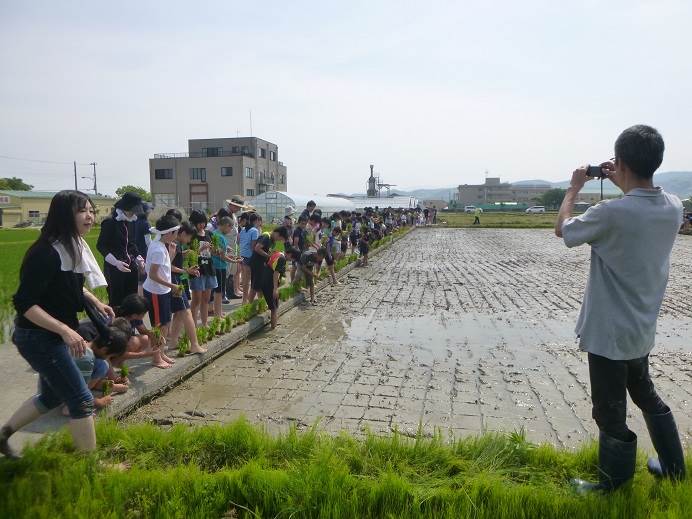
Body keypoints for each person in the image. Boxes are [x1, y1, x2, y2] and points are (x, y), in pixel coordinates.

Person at [555, 125, 686, 493]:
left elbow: (563, 230)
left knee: (609, 412)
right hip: (641, 329)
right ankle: (674, 469)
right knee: (646, 394)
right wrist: (626, 183)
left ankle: (612, 486)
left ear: (621, 162)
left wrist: (573, 188)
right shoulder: (673, 207)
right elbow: (640, 203)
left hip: (609, 334)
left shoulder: (610, 213)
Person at [1, 190, 115, 458]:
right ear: (65, 215)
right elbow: (24, 303)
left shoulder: (72, 246)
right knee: (82, 400)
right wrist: (65, 330)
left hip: (52, 336)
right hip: (38, 338)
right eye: (82, 211)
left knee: (52, 397)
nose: (90, 216)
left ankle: (3, 435)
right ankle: (91, 467)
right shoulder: (46, 252)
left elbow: (70, 284)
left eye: (91, 210)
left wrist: (93, 301)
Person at [142, 214, 182, 364]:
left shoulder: (161, 245)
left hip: (162, 291)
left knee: (165, 323)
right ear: (169, 233)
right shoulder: (158, 249)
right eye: (176, 233)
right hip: (155, 292)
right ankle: (156, 357)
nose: (177, 236)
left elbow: (163, 269)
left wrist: (171, 255)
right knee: (158, 326)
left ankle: (161, 352)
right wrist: (172, 286)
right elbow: (152, 275)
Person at [97, 192, 145, 309]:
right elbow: (101, 245)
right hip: (115, 268)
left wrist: (139, 258)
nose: (134, 213)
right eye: (132, 210)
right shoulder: (110, 223)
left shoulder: (130, 221)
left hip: (130, 266)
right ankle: (117, 325)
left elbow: (131, 243)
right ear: (124, 208)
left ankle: (130, 326)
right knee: (117, 301)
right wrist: (115, 262)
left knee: (131, 300)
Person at [167, 222, 207, 355]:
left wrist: (184, 253)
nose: (189, 241)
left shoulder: (176, 244)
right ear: (183, 234)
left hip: (175, 280)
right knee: (186, 311)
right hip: (175, 281)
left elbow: (173, 260)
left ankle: (173, 342)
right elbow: (168, 266)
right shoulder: (174, 244)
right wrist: (186, 270)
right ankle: (194, 345)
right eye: (189, 238)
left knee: (179, 312)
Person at [115, 293, 172, 369]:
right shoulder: (117, 321)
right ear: (135, 314)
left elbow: (143, 331)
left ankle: (158, 358)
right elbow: (115, 347)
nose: (145, 315)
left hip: (119, 346)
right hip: (109, 350)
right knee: (134, 342)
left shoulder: (132, 317)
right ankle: (115, 363)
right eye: (144, 313)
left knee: (146, 338)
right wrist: (143, 354)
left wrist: (156, 336)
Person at [259, 228, 293, 329]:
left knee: (274, 305)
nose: (291, 260)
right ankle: (273, 328)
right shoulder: (282, 259)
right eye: (292, 258)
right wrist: (275, 289)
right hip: (269, 283)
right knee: (274, 308)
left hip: (264, 280)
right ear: (289, 254)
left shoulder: (278, 254)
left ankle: (274, 324)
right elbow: (276, 274)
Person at [188, 210, 218, 325]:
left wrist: (214, 249)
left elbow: (214, 252)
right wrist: (201, 249)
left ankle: (204, 324)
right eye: (199, 223)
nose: (202, 225)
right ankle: (193, 325)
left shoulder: (209, 234)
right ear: (194, 223)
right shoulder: (192, 235)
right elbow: (190, 254)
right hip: (197, 269)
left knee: (206, 299)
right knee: (196, 300)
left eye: (203, 222)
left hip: (209, 268)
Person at [211, 217, 239, 317]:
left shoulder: (215, 233)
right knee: (219, 293)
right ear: (227, 225)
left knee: (216, 292)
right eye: (231, 228)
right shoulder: (220, 237)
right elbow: (222, 256)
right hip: (220, 266)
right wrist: (234, 260)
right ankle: (218, 314)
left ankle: (217, 311)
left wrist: (229, 253)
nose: (230, 231)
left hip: (215, 265)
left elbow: (221, 252)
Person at [239, 212, 260, 303]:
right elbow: (253, 246)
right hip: (250, 257)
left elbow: (239, 241)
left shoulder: (243, 229)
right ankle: (246, 301)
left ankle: (244, 300)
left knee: (244, 279)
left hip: (242, 256)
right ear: (255, 221)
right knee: (250, 280)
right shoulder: (255, 231)